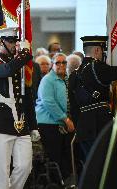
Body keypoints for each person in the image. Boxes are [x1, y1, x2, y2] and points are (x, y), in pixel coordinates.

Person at [0, 27, 37, 189]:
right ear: (0, 42)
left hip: (21, 122)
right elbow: (5, 71)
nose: (15, 45)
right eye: (11, 41)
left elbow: (27, 98)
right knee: (1, 169)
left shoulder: (19, 65)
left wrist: (33, 126)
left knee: (25, 166)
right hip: (1, 120)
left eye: (16, 41)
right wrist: (24, 54)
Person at [68, 36, 117, 159]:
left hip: (83, 128)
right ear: (97, 50)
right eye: (103, 50)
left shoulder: (74, 74)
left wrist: (79, 126)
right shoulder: (97, 67)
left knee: (90, 166)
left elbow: (73, 107)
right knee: (105, 166)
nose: (103, 54)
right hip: (100, 125)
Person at [36, 53, 75, 182]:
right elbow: (49, 103)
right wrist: (66, 119)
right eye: (57, 62)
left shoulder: (66, 79)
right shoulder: (48, 80)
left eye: (64, 62)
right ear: (52, 65)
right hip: (48, 123)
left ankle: (63, 181)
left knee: (64, 155)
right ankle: (56, 183)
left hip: (61, 123)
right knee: (55, 156)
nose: (61, 65)